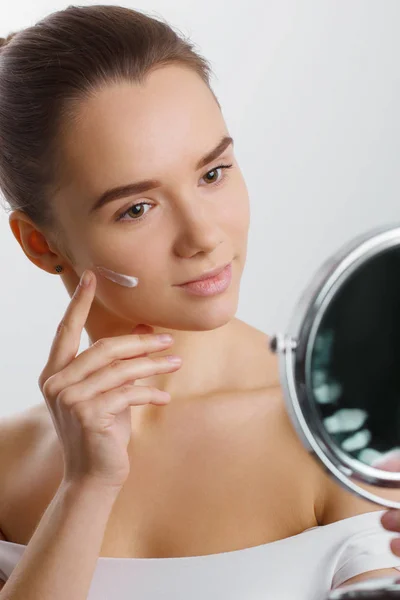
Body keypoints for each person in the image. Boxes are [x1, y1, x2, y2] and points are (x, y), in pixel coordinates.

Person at [0, 5, 399, 600]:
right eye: (137, 208)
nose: (204, 236)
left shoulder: (347, 432)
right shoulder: (8, 466)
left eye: (213, 173)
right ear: (40, 243)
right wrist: (85, 488)